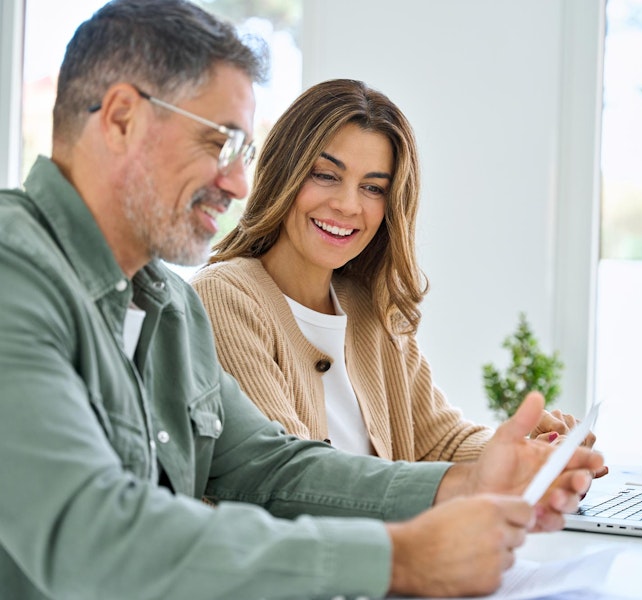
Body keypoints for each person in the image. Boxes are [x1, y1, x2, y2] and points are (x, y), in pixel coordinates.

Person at [0, 1, 605, 599]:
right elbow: (91, 534)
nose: (238, 182)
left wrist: (467, 483)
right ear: (123, 118)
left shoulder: (168, 308)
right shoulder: (15, 275)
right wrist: (398, 558)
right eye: (218, 143)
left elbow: (272, 468)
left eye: (242, 152)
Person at [192, 78, 595, 462]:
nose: (349, 205)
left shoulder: (370, 308)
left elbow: (441, 442)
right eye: (326, 175)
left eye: (373, 188)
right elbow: (289, 475)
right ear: (282, 172)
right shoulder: (224, 297)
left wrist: (527, 454)